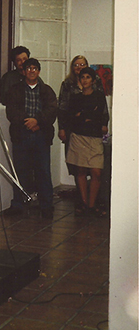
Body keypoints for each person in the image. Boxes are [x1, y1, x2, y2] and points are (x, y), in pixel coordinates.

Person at [5, 58, 57, 219]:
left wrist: (38, 122)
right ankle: (18, 205)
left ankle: (46, 206)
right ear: (24, 71)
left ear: (39, 71)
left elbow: (52, 110)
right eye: (28, 68)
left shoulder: (47, 90)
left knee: (43, 171)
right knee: (20, 171)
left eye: (35, 68)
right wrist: (28, 121)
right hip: (21, 135)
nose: (32, 71)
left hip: (41, 135)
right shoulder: (15, 90)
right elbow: (11, 111)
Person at [57, 55, 108, 214]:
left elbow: (101, 114)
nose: (85, 79)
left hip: (94, 136)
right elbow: (70, 113)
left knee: (96, 171)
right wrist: (84, 116)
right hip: (78, 135)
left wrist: (85, 116)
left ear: (92, 79)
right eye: (77, 66)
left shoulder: (99, 94)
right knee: (79, 171)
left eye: (88, 76)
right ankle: (84, 204)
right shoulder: (71, 91)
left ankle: (92, 205)